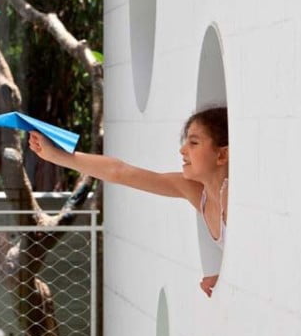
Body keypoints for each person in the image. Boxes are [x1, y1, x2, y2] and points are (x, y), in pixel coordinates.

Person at [28, 106, 228, 297]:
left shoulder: (230, 197)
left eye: (194, 143)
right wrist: (55, 155)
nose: (183, 150)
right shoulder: (197, 192)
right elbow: (119, 172)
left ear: (222, 154)